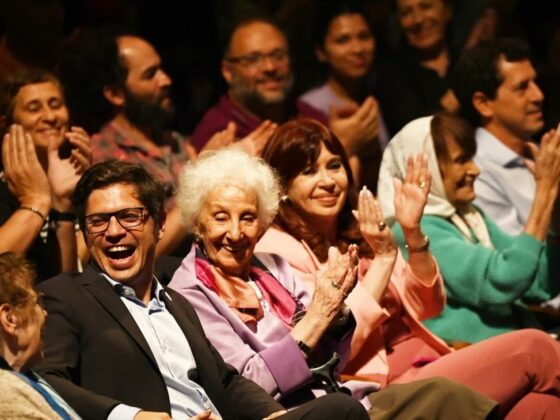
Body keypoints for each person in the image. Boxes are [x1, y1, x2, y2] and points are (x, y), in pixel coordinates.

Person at [258, 117, 560, 418]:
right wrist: (384, 260)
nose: (327, 180)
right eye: (309, 171)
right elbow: (331, 348)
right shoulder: (278, 249)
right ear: (282, 186)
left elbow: (428, 305)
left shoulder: (359, 228)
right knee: (534, 349)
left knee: (543, 407)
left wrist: (413, 233)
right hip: (380, 387)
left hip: (427, 360)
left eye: (334, 166)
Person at [168, 148, 498, 419]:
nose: (236, 232)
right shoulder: (189, 291)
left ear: (263, 222)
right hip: (299, 412)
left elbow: (334, 357)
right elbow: (249, 383)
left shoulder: (271, 266)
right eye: (220, 217)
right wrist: (317, 316)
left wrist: (337, 312)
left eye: (248, 217)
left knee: (449, 395)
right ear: (197, 222)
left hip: (343, 395)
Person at [35, 159, 370, 420]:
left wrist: (271, 415)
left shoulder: (175, 304)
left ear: (159, 224)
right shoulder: (65, 296)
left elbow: (226, 381)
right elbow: (44, 382)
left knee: (343, 409)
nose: (113, 231)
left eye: (129, 217)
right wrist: (132, 416)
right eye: (98, 221)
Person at [377, 112, 560, 343]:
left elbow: (540, 284)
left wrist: (554, 208)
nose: (475, 170)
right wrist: (544, 191)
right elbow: (505, 279)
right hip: (473, 352)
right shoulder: (415, 230)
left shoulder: (469, 215)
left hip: (521, 340)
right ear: (427, 166)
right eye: (462, 160)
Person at [190, 16, 381, 186]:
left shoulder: (307, 114)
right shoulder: (218, 131)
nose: (270, 67)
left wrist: (367, 152)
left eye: (278, 56)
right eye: (253, 59)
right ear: (227, 72)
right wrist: (342, 146)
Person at [452, 38, 551, 235]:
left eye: (535, 82)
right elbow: (518, 251)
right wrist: (549, 187)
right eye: (522, 87)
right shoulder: (476, 173)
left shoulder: (544, 154)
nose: (538, 95)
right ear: (483, 104)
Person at [0, 68, 91, 279]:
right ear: (7, 125)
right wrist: (35, 202)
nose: (50, 117)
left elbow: (66, 281)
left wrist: (64, 205)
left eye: (55, 105)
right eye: (34, 108)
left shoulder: (74, 184)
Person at [299, 2, 388, 191]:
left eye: (364, 36)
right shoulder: (309, 108)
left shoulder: (380, 95)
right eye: (342, 40)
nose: (357, 49)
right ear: (321, 52)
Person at [0, 253, 80, 419]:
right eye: (36, 302)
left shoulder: (31, 379)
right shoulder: (6, 396)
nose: (44, 313)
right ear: (10, 318)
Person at [377, 0, 458, 134]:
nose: (418, 20)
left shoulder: (467, 59)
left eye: (426, 7)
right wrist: (454, 100)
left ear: (447, 10)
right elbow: (412, 132)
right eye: (406, 13)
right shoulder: (391, 77)